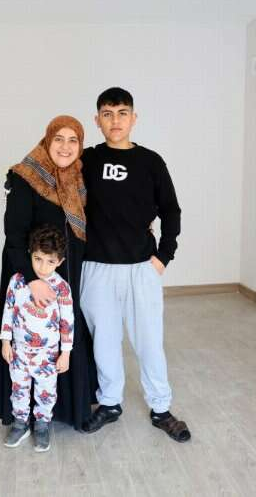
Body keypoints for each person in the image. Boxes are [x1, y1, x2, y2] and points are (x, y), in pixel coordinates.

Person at [80, 87, 190, 443]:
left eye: (122, 113)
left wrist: (163, 257)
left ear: (134, 118)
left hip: (142, 267)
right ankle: (110, 403)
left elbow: (171, 210)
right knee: (104, 341)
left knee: (149, 341)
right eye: (107, 114)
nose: (115, 120)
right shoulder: (86, 160)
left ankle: (161, 408)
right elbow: (54, 174)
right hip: (96, 267)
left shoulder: (151, 162)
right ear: (97, 120)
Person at [0, 115, 98, 432]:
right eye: (58, 139)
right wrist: (33, 280)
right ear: (47, 140)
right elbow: (14, 237)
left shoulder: (77, 179)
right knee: (29, 338)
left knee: (63, 332)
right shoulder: (25, 177)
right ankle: (22, 413)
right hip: (30, 275)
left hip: (66, 273)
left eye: (73, 140)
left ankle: (65, 408)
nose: (65, 147)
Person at [0, 225, 73, 451]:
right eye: (38, 259)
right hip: (19, 351)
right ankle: (20, 423)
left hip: (47, 355)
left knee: (46, 391)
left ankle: (42, 424)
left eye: (50, 261)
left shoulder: (62, 288)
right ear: (30, 254)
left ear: (59, 262)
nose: (42, 267)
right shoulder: (17, 281)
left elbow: (67, 322)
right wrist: (5, 341)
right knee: (18, 389)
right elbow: (8, 311)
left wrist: (66, 353)